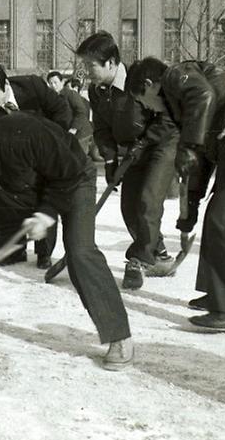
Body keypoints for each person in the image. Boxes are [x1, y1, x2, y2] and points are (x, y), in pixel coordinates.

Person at [0, 109, 133, 370]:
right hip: (23, 192)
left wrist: (46, 213)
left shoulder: (21, 134)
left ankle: (118, 335)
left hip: (73, 178)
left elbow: (68, 171)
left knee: (80, 251)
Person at [127, 57, 225, 333]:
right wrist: (191, 211)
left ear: (150, 85)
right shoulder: (186, 112)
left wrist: (187, 146)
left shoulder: (178, 75)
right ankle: (218, 295)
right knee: (215, 218)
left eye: (142, 100)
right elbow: (199, 161)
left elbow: (204, 95)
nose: (147, 109)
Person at [76, 31, 178, 290]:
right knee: (128, 207)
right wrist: (110, 161)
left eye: (91, 66)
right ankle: (160, 254)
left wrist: (145, 141)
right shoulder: (96, 91)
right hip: (134, 149)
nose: (86, 71)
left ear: (111, 63)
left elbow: (169, 117)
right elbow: (101, 128)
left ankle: (139, 259)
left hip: (162, 144)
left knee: (148, 199)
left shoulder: (141, 79)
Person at [0, 62, 72, 269]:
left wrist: (55, 140)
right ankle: (16, 249)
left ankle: (44, 252)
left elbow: (60, 109)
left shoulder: (32, 87)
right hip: (20, 159)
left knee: (45, 197)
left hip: (49, 150)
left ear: (5, 84)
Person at [47, 72, 94, 154]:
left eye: (55, 82)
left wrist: (74, 128)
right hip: (65, 134)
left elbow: (81, 111)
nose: (53, 86)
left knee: (78, 158)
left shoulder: (70, 94)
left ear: (62, 82)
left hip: (80, 133)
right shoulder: (52, 98)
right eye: (51, 83)